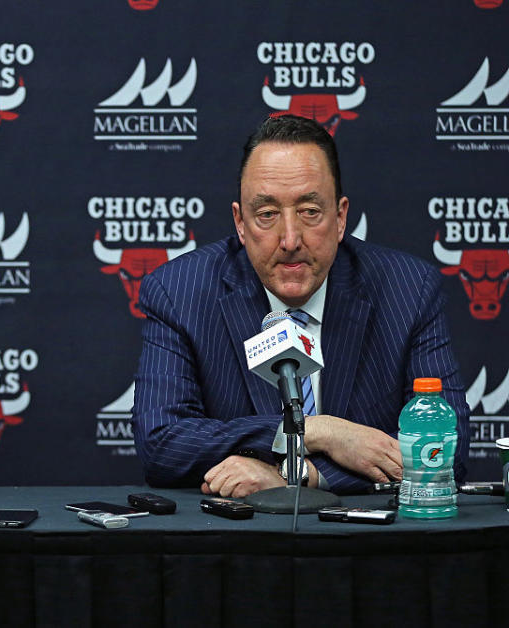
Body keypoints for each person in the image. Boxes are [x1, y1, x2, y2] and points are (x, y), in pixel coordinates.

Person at [131, 114, 470, 497]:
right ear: (240, 224)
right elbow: (162, 443)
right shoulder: (180, 292)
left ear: (341, 218)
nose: (290, 239)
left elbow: (444, 455)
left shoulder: (408, 291)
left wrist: (299, 475)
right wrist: (318, 431)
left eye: (310, 211)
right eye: (267, 214)